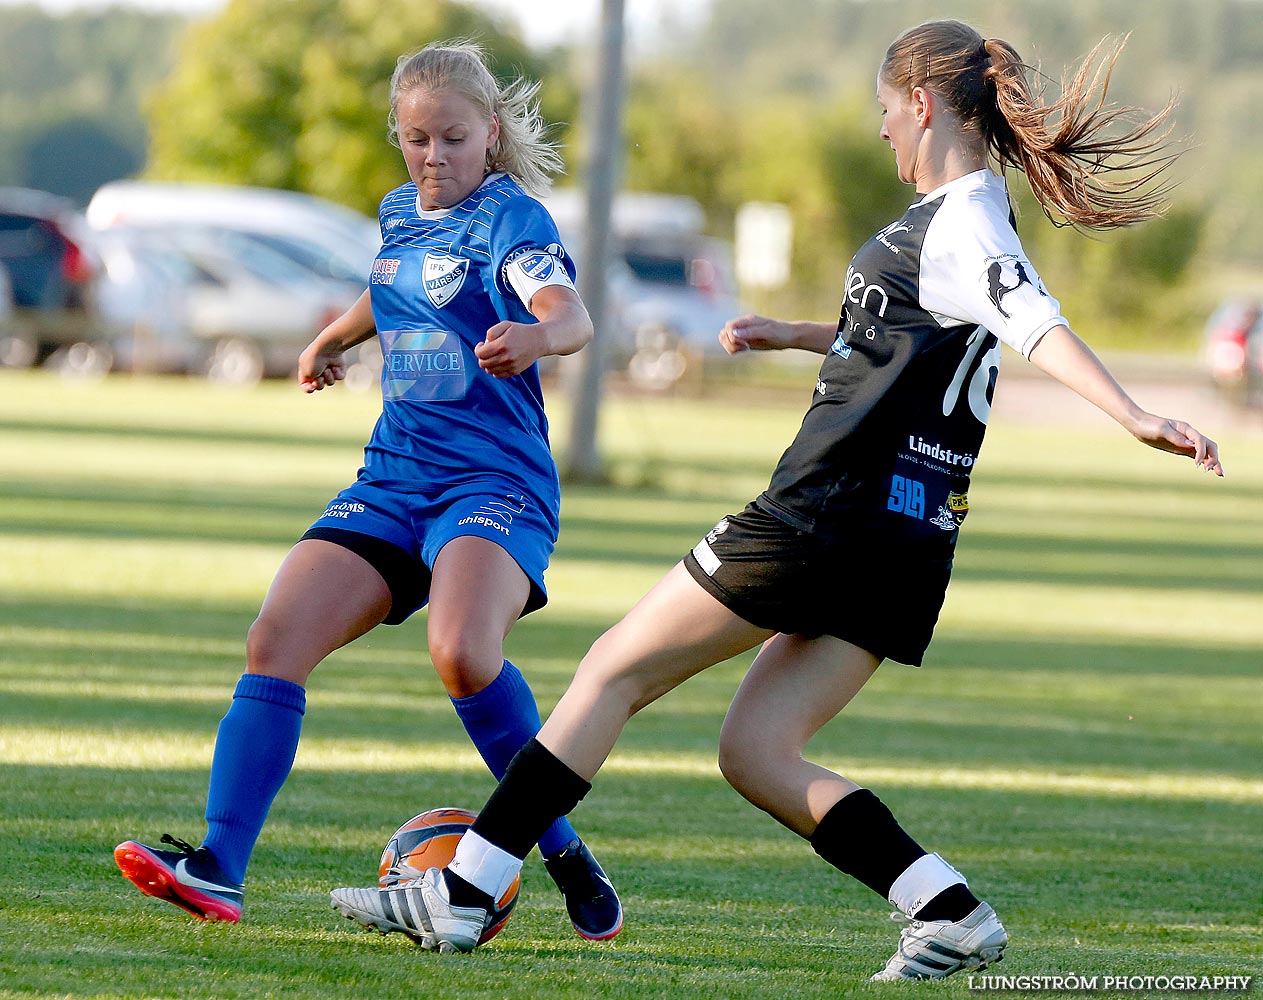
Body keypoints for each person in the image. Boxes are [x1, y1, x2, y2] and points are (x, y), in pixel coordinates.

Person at [330, 19, 1226, 977]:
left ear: (920, 105)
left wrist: (1133, 414)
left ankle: (462, 890)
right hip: (909, 539)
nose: (883, 132)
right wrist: (799, 334)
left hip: (825, 510)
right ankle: (946, 909)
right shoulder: (970, 217)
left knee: (611, 673)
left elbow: (1034, 326)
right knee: (757, 750)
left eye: (886, 112)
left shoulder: (960, 219)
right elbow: (915, 333)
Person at [114, 40, 623, 943]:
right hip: (395, 478)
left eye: (454, 139)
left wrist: (539, 341)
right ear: (399, 135)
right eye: (417, 139)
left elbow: (570, 314)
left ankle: (561, 850)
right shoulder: (399, 210)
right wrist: (335, 338)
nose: (434, 158)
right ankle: (218, 869)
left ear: (489, 134)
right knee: (274, 638)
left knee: (462, 652)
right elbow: (393, 286)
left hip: (492, 483)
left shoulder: (515, 219)